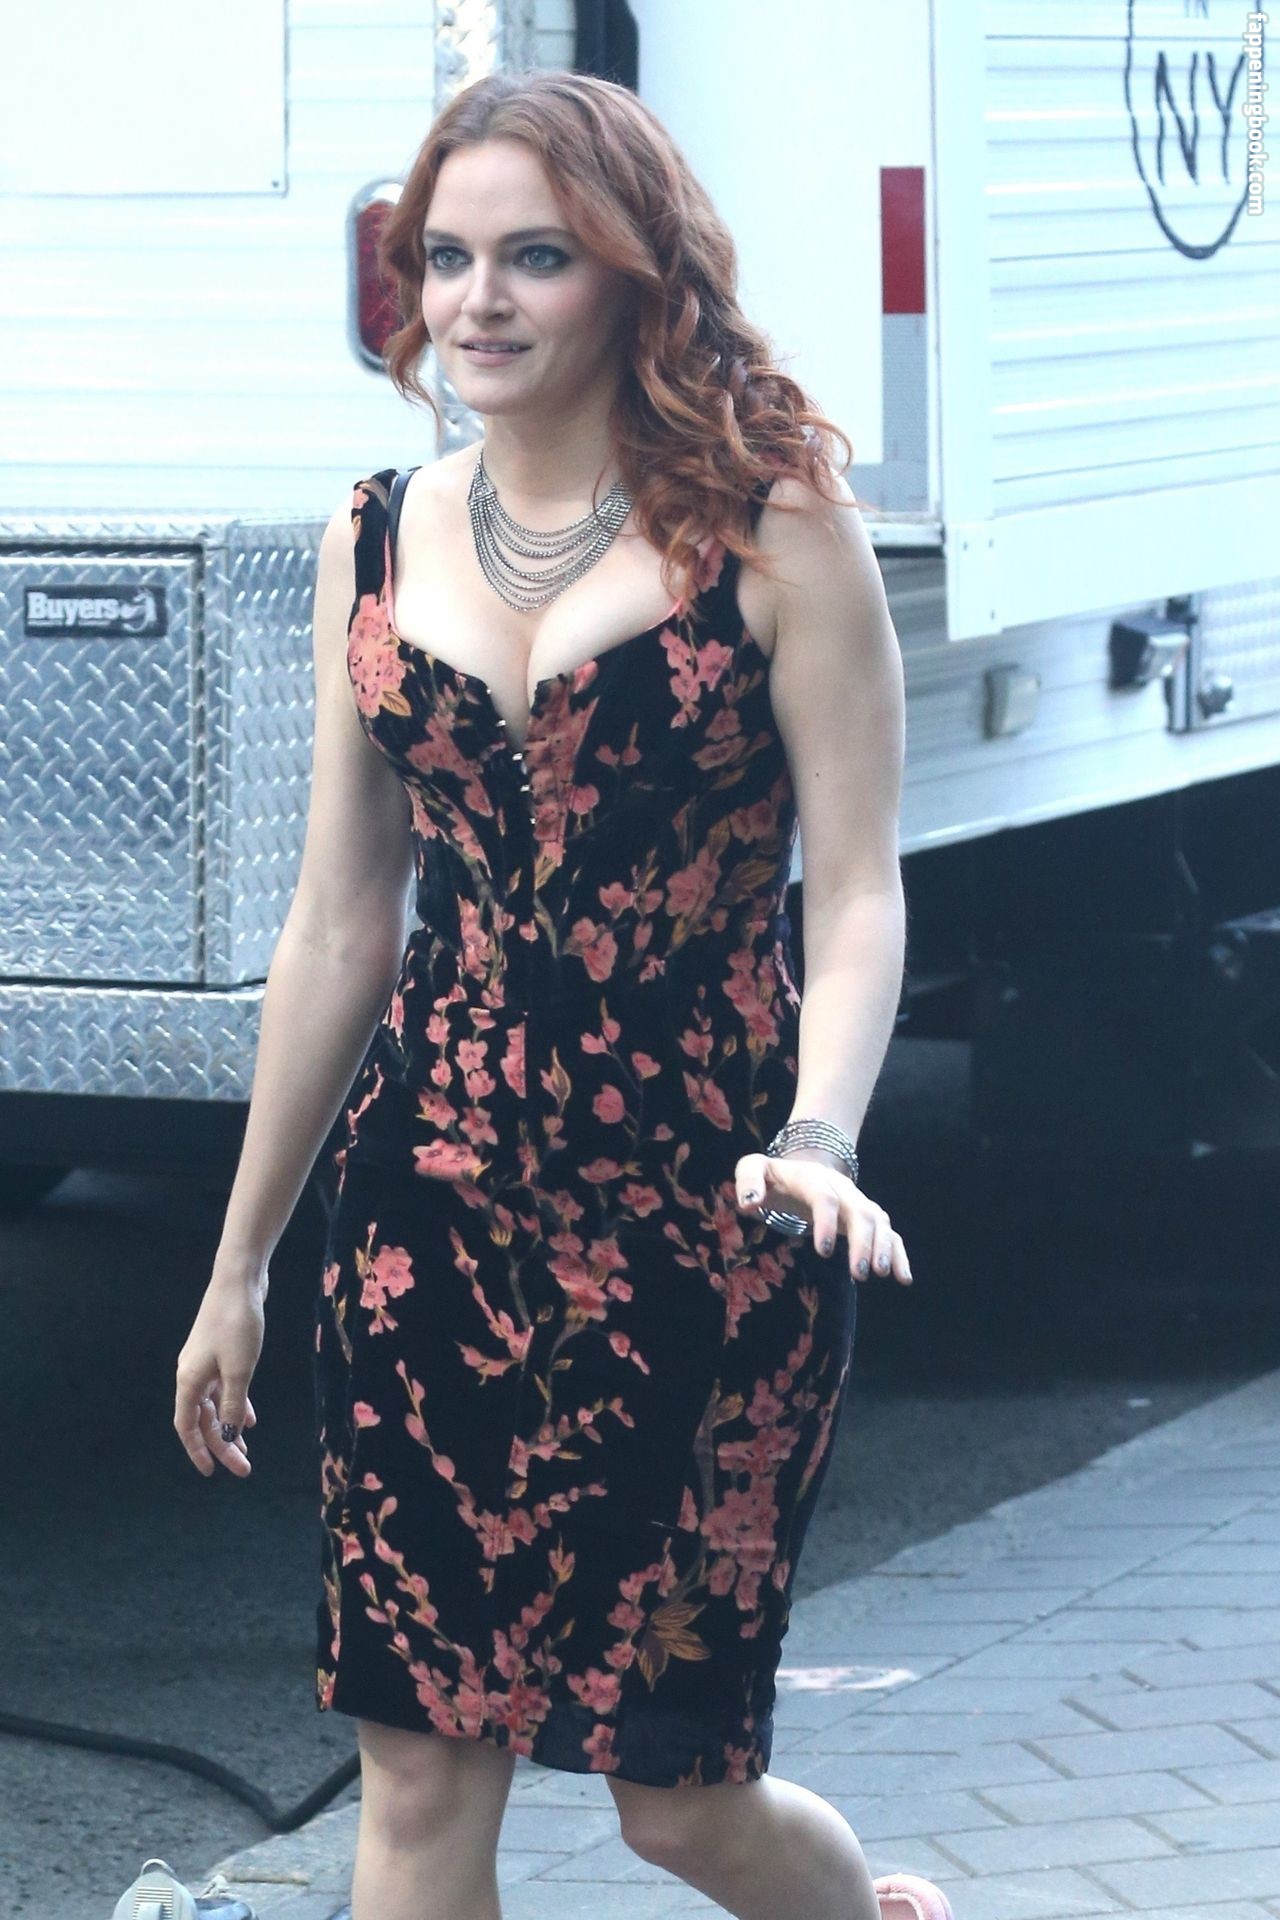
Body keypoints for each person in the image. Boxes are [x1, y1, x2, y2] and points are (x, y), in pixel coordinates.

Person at [173, 67, 951, 1920]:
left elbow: (856, 890)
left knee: (677, 1802)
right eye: (445, 259)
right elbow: (339, 923)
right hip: (426, 1216)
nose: (479, 301)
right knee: (418, 1777)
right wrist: (239, 1261)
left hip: (712, 1215)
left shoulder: (776, 531)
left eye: (536, 256)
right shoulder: (374, 538)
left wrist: (824, 1134)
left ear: (633, 273)